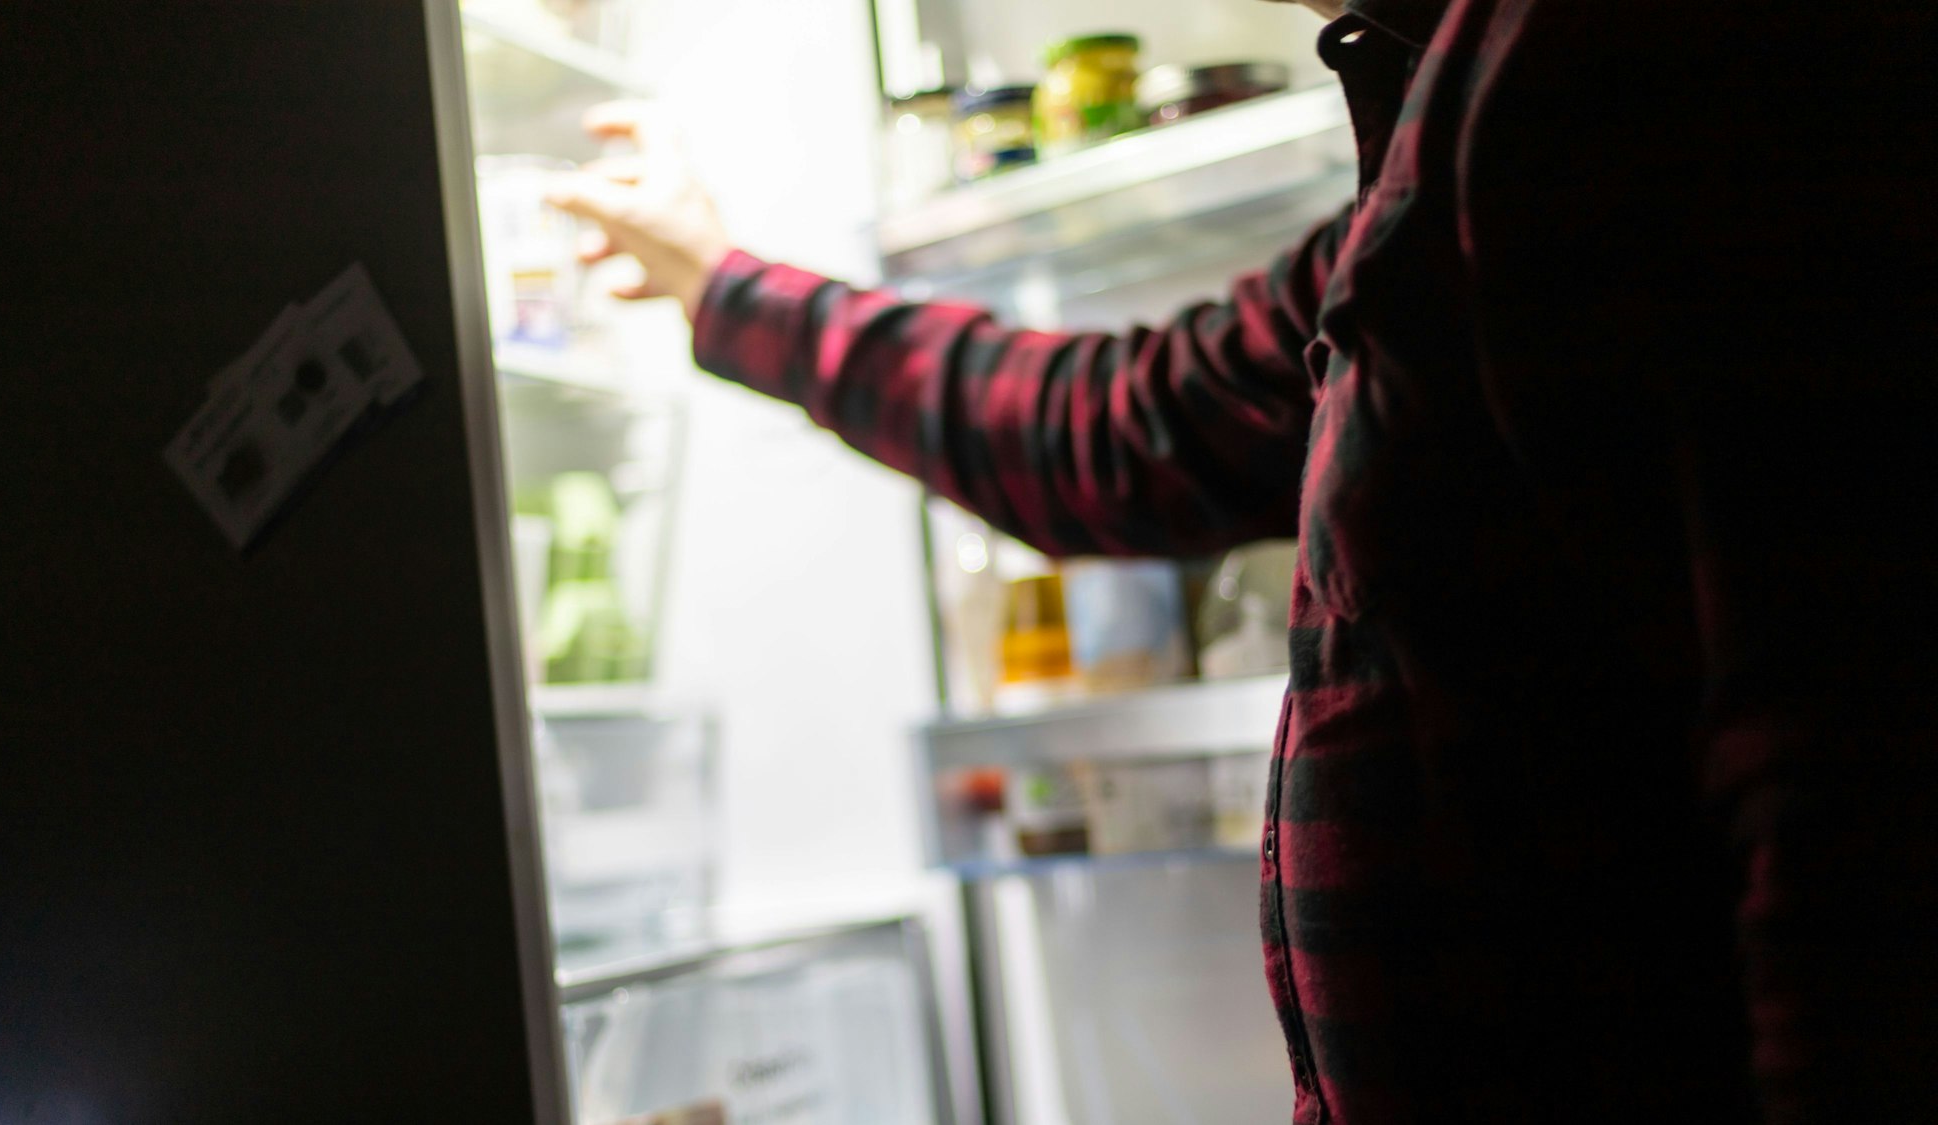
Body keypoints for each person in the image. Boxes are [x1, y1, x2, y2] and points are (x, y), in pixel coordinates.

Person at [550, 0, 1938, 1120]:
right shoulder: (1437, 152)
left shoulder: (1622, 63)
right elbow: (1117, 424)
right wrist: (719, 286)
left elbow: (1836, 759)